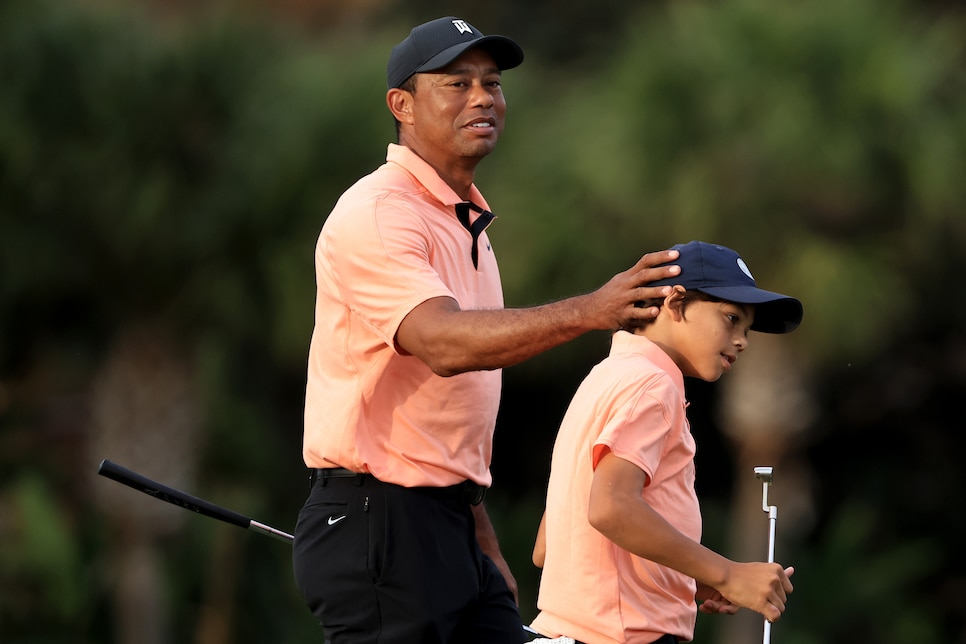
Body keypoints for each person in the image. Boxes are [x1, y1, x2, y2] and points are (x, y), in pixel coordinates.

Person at [291, 16, 682, 644]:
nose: (482, 98)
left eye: (492, 83)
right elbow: (442, 344)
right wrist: (591, 310)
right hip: (379, 523)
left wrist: (479, 541)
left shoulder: (465, 224)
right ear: (403, 106)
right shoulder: (380, 211)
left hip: (447, 524)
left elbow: (443, 430)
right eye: (455, 83)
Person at [528, 240, 803, 644]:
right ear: (675, 303)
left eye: (746, 329)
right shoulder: (654, 386)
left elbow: (549, 546)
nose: (742, 340)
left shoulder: (605, 377)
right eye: (731, 318)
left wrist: (682, 577)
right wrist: (726, 573)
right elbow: (611, 507)